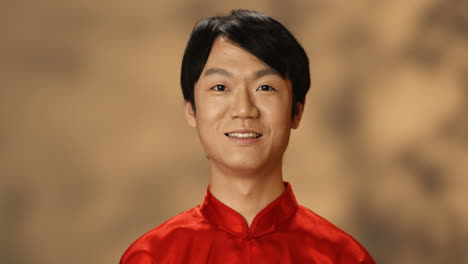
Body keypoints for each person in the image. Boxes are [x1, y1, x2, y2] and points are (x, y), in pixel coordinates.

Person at [120, 9, 375, 264]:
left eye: (265, 87)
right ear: (191, 109)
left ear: (297, 111)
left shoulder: (342, 257)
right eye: (220, 87)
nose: (244, 109)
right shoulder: (152, 257)